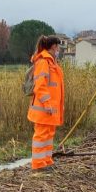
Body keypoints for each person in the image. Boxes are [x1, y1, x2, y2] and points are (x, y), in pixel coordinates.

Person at [27, 36, 65, 172]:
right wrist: (47, 104)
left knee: (48, 135)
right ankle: (38, 164)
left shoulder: (51, 62)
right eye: (58, 47)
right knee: (41, 135)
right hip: (44, 108)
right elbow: (40, 86)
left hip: (50, 109)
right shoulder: (43, 62)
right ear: (54, 46)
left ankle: (46, 161)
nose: (59, 50)